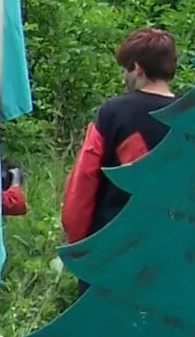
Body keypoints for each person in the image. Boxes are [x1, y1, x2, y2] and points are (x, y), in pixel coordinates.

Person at [61, 26, 177, 245]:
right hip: (172, 252)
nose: (125, 77)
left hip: (112, 250)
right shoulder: (192, 117)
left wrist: (78, 243)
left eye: (126, 69)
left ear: (138, 68)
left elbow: (84, 180)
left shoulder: (113, 113)